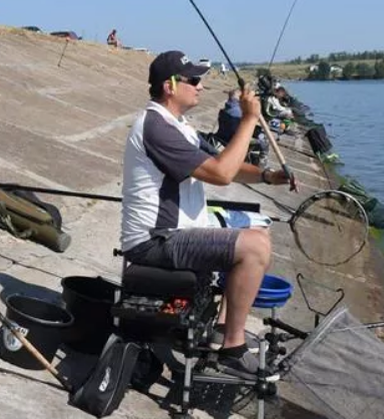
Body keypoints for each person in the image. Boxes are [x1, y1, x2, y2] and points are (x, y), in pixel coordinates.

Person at [120, 50, 294, 379]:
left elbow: (225, 163)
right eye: (194, 80)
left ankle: (224, 330)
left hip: (181, 232)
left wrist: (267, 176)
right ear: (169, 86)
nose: (200, 87)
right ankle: (233, 348)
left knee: (259, 233)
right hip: (155, 241)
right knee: (255, 247)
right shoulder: (155, 126)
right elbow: (221, 174)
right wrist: (247, 120)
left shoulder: (181, 127)